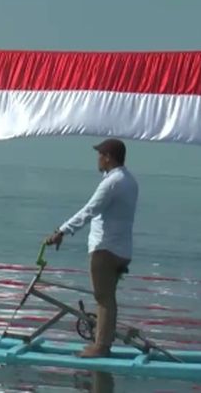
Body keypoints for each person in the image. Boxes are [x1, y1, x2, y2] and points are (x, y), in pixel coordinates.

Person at [45, 138, 138, 358]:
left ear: (108, 157)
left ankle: (101, 347)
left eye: (100, 154)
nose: (97, 158)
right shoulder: (130, 180)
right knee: (108, 298)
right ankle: (104, 341)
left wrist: (61, 231)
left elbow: (90, 210)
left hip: (105, 249)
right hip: (123, 250)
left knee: (103, 299)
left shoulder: (112, 183)